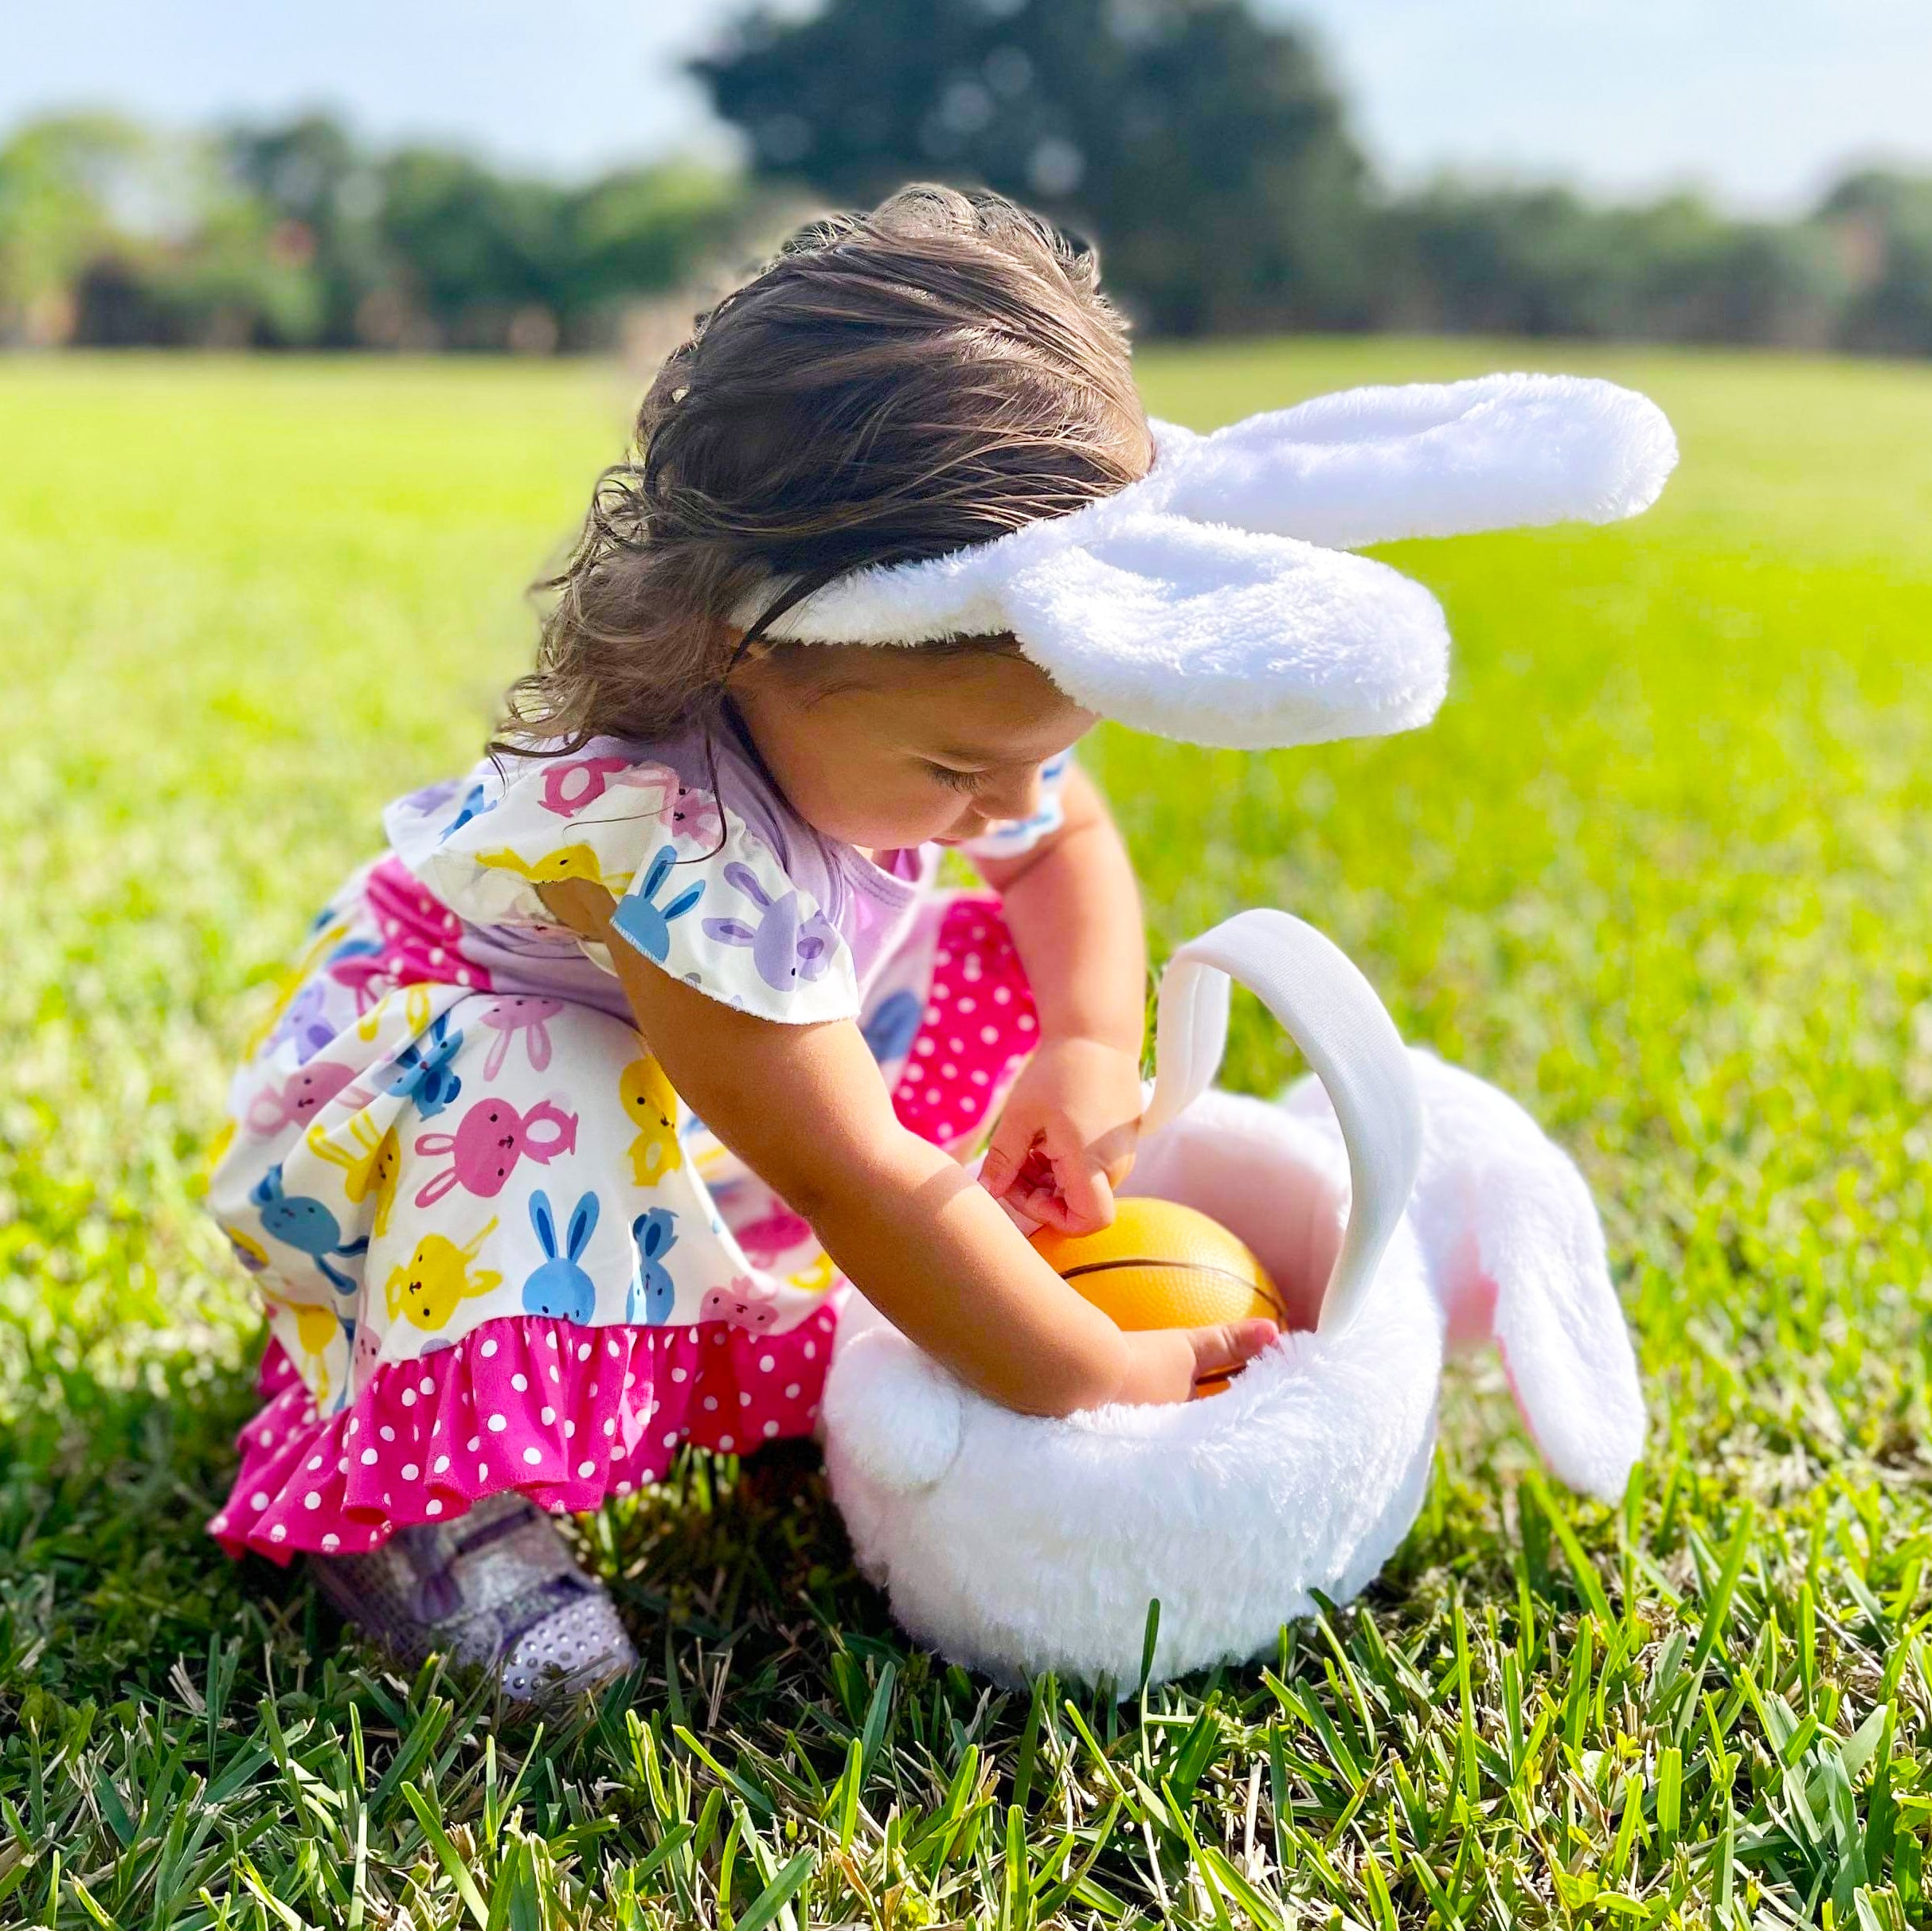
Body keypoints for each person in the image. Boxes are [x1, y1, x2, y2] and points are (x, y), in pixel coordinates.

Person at [204, 186, 1278, 1698]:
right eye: (962, 771)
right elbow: (862, 1173)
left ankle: (770, 1344)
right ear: (744, 643)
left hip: (705, 1094)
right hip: (443, 1128)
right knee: (546, 1081)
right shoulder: (676, 841)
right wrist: (1105, 1374)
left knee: (962, 953)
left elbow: (1068, 845)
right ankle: (419, 1490)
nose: (1012, 803)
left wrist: (1088, 1044)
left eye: (1048, 749)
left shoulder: (933, 706)